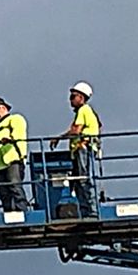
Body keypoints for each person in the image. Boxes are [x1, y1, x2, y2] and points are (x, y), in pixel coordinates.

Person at [50, 81, 100, 216]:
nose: (70, 99)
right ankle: (86, 210)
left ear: (82, 98)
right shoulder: (84, 111)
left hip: (83, 148)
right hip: (81, 149)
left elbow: (76, 130)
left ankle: (92, 210)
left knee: (83, 179)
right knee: (78, 182)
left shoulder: (84, 110)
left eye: (73, 96)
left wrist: (59, 138)